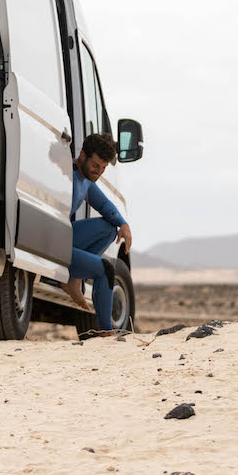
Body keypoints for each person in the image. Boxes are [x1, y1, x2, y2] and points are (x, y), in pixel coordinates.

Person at [63, 132, 132, 333]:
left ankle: (74, 279)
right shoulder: (67, 173)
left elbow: (104, 204)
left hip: (65, 237)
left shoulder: (85, 180)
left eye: (103, 168)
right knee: (105, 270)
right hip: (53, 241)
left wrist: (124, 225)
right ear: (82, 155)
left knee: (109, 228)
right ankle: (105, 331)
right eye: (95, 166)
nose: (99, 172)